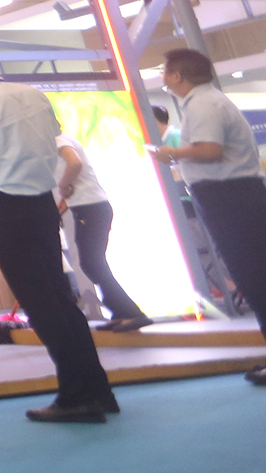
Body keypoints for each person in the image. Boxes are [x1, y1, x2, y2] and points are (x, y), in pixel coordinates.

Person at [0, 35, 116, 421]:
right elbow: (51, 140)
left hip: (9, 208)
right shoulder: (33, 95)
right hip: (41, 204)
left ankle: (76, 397)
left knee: (42, 305)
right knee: (60, 300)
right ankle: (98, 390)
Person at [154, 48, 266, 386]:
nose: (162, 76)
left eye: (165, 71)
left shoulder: (203, 104)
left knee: (254, 277)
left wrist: (171, 153)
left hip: (229, 196)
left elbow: (210, 150)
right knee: (255, 276)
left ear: (177, 76)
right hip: (233, 194)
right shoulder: (206, 101)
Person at [55, 132, 150, 333]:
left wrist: (63, 186)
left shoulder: (57, 139)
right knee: (91, 263)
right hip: (88, 208)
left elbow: (74, 163)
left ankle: (130, 312)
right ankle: (121, 312)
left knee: (92, 263)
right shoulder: (58, 140)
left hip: (91, 208)